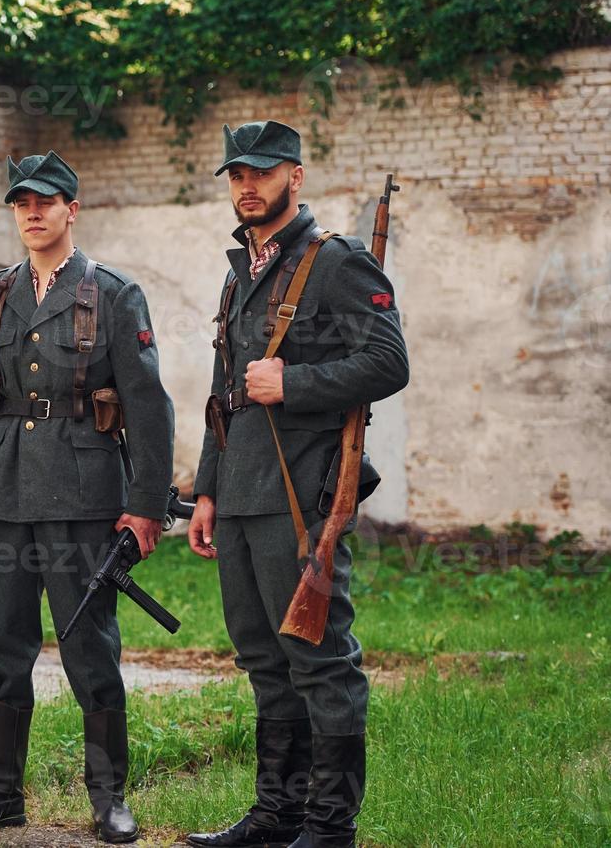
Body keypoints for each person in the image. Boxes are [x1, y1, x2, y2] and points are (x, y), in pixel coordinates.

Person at [0, 151, 175, 845]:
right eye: (21, 203)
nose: (32, 213)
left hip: (84, 495)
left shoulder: (113, 292)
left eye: (45, 201)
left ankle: (108, 799)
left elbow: (148, 406)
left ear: (73, 209)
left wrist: (145, 505)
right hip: (7, 491)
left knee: (90, 650)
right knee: (3, 645)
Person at [185, 121, 409, 848]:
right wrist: (207, 490)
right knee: (262, 658)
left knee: (318, 658)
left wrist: (296, 381)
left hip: (300, 495)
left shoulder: (335, 262)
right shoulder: (239, 271)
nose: (247, 186)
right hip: (242, 494)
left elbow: (388, 363)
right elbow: (225, 393)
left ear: (294, 177)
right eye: (237, 174)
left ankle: (328, 825)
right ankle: (275, 815)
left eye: (263, 172)